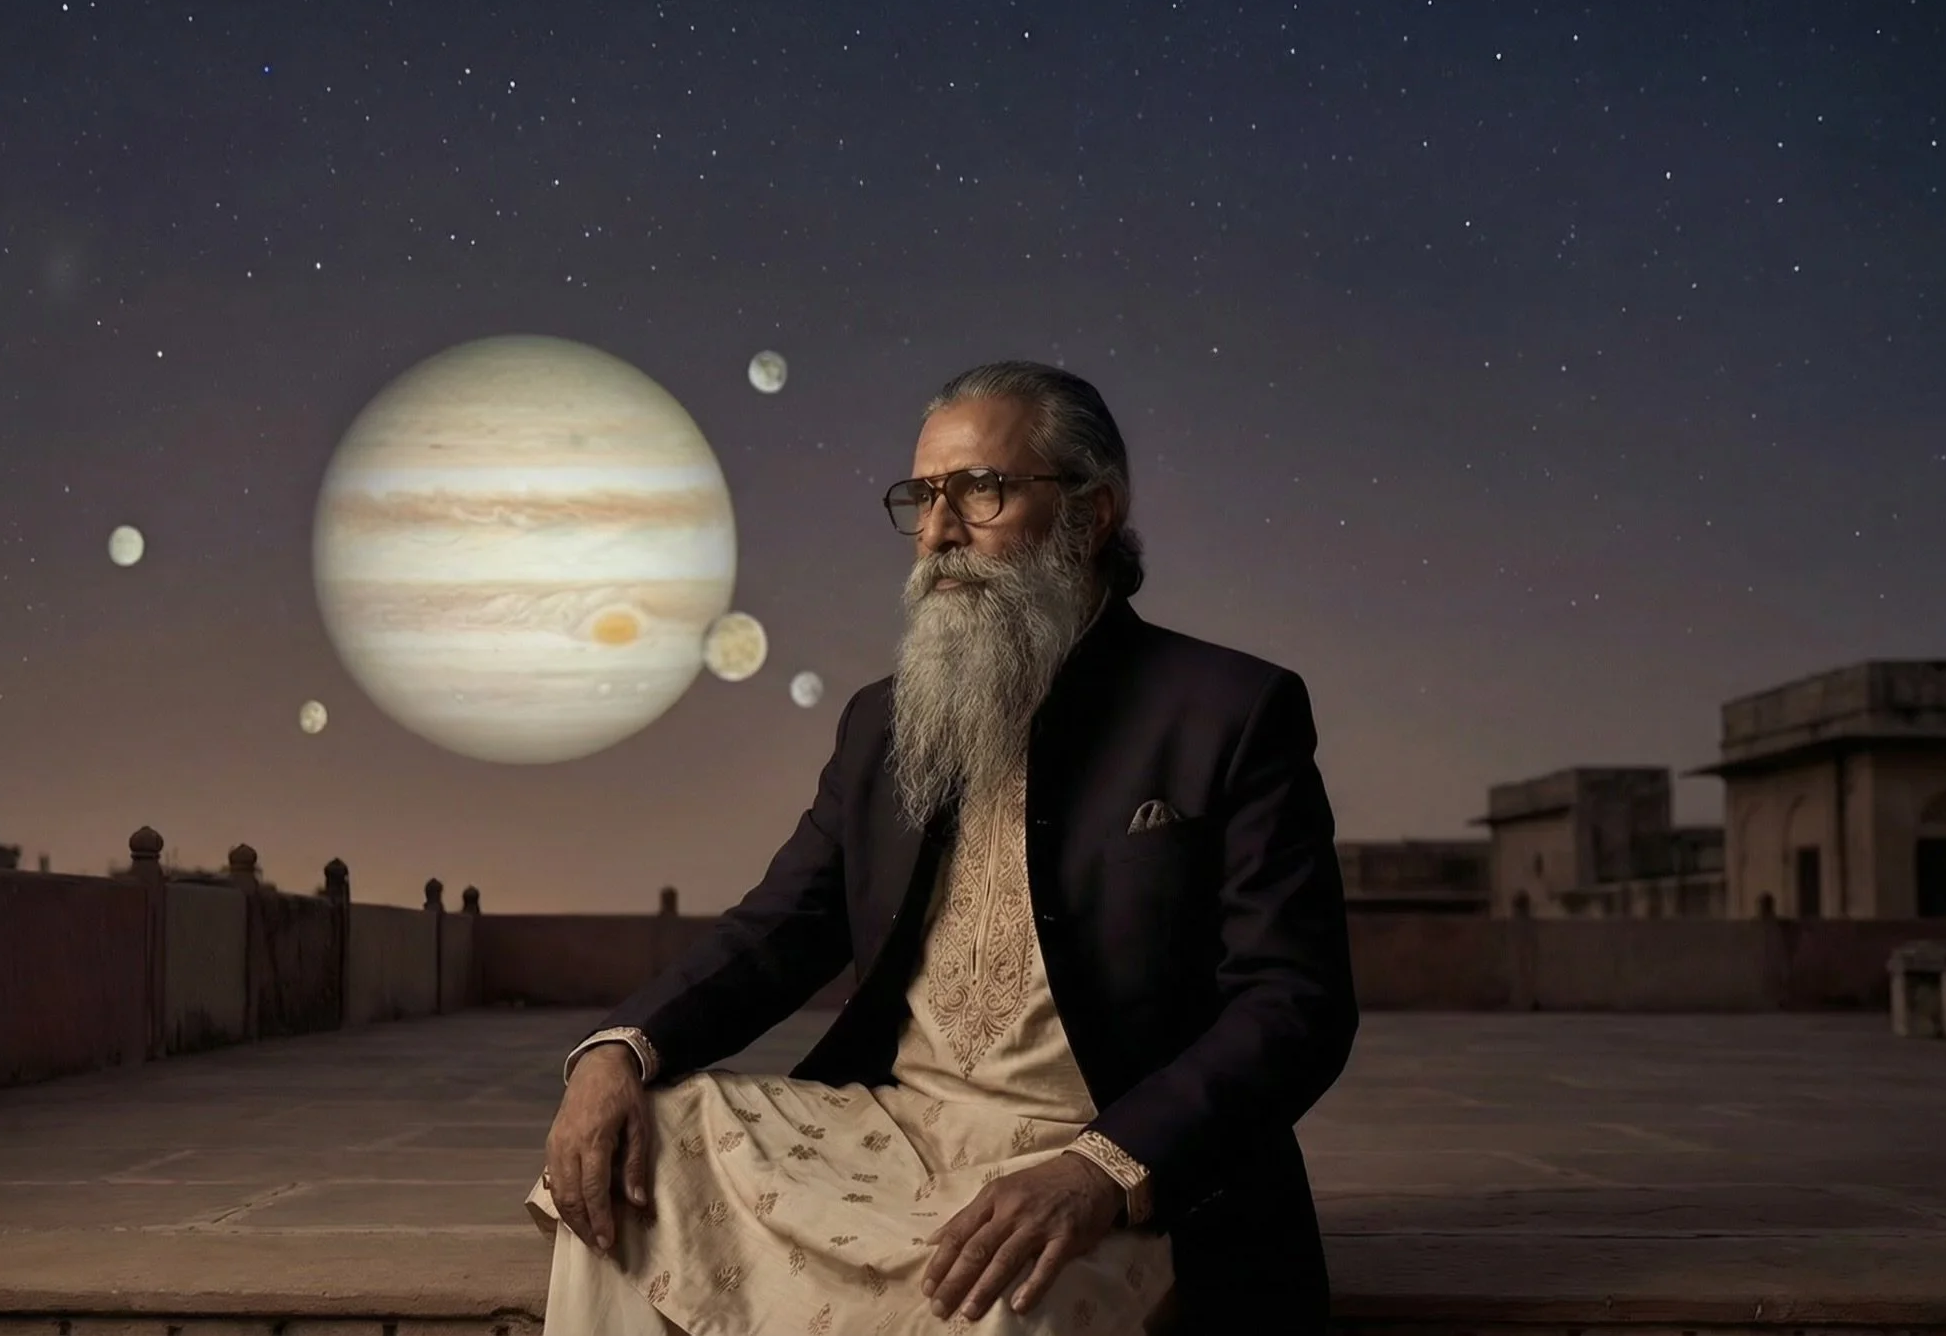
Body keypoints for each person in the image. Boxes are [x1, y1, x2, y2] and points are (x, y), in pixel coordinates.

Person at [528, 360, 1359, 1334]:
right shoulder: (883, 722)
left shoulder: (1230, 711)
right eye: (923, 497)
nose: (937, 534)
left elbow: (1294, 1004)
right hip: (894, 1129)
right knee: (642, 1151)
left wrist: (1103, 1167)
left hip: (1103, 1154)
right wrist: (618, 1048)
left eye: (982, 490)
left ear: (1092, 516)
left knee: (1000, 1298)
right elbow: (784, 924)